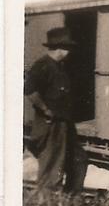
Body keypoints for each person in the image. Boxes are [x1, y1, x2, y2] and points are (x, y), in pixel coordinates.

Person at [24, 27, 88, 195]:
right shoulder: (42, 66)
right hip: (51, 124)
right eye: (67, 48)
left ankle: (70, 202)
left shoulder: (59, 66)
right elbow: (30, 91)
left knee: (79, 160)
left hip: (64, 123)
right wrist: (45, 109)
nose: (69, 51)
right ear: (60, 48)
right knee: (52, 166)